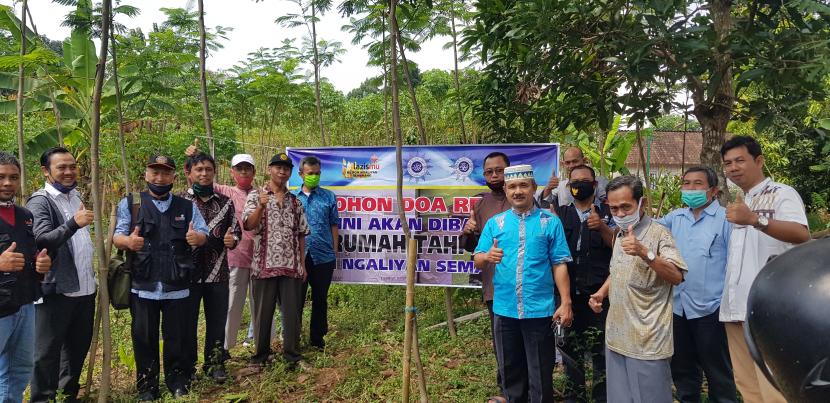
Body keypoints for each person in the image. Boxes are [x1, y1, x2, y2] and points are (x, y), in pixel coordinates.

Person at [719, 136, 810, 403]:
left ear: (759, 161)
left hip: (768, 309)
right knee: (747, 386)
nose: (733, 168)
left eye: (739, 160)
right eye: (727, 163)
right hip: (736, 308)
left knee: (774, 389)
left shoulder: (782, 193)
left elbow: (801, 234)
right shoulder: (739, 201)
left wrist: (755, 219)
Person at [474, 164, 573, 403]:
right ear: (506, 190)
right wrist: (487, 257)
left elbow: (559, 263)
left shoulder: (550, 222)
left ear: (533, 188)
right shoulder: (495, 223)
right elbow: (477, 259)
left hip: (539, 311)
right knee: (510, 371)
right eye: (512, 187)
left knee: (540, 373)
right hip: (504, 310)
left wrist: (566, 302)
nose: (517, 191)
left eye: (523, 186)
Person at [112, 154, 209, 401]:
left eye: (165, 173)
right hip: (142, 285)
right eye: (155, 172)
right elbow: (117, 236)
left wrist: (198, 238)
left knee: (177, 337)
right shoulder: (131, 204)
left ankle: (178, 381)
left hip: (177, 285)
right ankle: (147, 386)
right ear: (146, 175)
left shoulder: (187, 206)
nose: (159, 177)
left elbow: (203, 233)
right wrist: (128, 242)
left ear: (174, 177)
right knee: (144, 338)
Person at [589, 175, 687, 403]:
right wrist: (601, 293)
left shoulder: (660, 234)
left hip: (648, 340)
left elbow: (677, 276)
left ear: (641, 203)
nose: (620, 214)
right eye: (614, 209)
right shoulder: (618, 235)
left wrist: (645, 253)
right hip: (617, 336)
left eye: (626, 207)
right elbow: (618, 270)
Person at [656, 166, 737, 403]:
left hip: (711, 310)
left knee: (718, 374)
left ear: (713, 190)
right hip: (678, 308)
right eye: (686, 183)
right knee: (683, 373)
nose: (690, 188)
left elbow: (736, 263)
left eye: (697, 184)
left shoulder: (726, 219)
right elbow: (647, 231)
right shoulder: (675, 217)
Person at [26, 147, 96, 402]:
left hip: (85, 289)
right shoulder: (40, 201)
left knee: (76, 348)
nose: (69, 172)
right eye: (61, 168)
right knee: (47, 351)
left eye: (72, 166)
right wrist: (72, 223)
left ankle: (67, 394)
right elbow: (41, 240)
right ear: (46, 171)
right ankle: (43, 398)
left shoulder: (76, 197)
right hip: (57, 289)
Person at [551, 164, 614, 403]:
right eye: (574, 182)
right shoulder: (559, 214)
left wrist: (602, 227)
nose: (579, 185)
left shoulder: (609, 212)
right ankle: (574, 398)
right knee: (570, 352)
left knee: (601, 353)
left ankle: (601, 397)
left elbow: (621, 250)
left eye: (584, 181)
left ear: (595, 185)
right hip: (567, 296)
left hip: (599, 296)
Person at [242, 153, 310, 370]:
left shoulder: (295, 201)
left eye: (286, 168)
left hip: (290, 267)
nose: (282, 171)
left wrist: (302, 264)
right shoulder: (255, 196)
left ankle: (292, 356)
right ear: (269, 169)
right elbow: (248, 225)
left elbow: (301, 233)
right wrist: (261, 206)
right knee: (263, 314)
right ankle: (260, 356)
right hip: (263, 266)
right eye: (278, 167)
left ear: (290, 173)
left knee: (291, 314)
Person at [180, 152, 240, 384]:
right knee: (188, 323)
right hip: (188, 275)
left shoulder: (225, 203)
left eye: (208, 170)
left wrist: (232, 240)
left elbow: (236, 231)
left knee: (216, 322)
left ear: (214, 173)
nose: (204, 174)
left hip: (219, 273)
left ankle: (215, 364)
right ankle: (188, 367)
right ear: (189, 173)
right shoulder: (180, 202)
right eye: (199, 170)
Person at [0, 152, 51, 403]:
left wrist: (40, 265)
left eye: (13, 177)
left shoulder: (25, 216)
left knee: (19, 370)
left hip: (24, 304)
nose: (7, 183)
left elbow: (30, 257)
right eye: (1, 177)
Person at [459, 152, 510, 402]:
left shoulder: (523, 199)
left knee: (529, 341)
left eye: (498, 170)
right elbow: (472, 248)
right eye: (489, 171)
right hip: (494, 284)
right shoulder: (479, 204)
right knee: (501, 340)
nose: (494, 175)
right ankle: (506, 391)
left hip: (530, 284)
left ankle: (532, 390)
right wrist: (468, 231)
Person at [292, 156, 339, 350]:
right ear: (301, 174)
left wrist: (334, 250)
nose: (314, 177)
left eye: (317, 173)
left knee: (320, 299)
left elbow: (334, 225)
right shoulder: (292, 199)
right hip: (298, 258)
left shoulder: (329, 196)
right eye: (310, 174)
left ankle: (317, 339)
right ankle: (293, 339)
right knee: (296, 301)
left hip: (323, 257)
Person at [539, 147, 608, 208]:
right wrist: (548, 188)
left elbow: (610, 204)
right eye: (567, 163)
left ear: (584, 160)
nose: (571, 165)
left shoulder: (600, 182)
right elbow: (546, 204)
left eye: (575, 161)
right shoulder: (561, 186)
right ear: (563, 164)